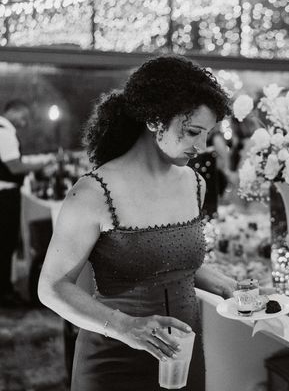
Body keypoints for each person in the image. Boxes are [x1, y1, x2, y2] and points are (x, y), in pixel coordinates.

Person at [38, 56, 237, 391]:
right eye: (192, 132)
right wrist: (126, 326)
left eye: (208, 135)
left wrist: (230, 286)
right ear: (155, 119)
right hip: (113, 360)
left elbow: (172, 264)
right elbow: (52, 288)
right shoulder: (92, 193)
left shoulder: (194, 183)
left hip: (183, 356)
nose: (202, 147)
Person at [0, 99, 50, 307]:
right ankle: (4, 293)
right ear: (14, 112)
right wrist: (43, 164)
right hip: (4, 196)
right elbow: (14, 167)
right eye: (24, 117)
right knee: (5, 243)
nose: (24, 122)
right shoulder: (4, 131)